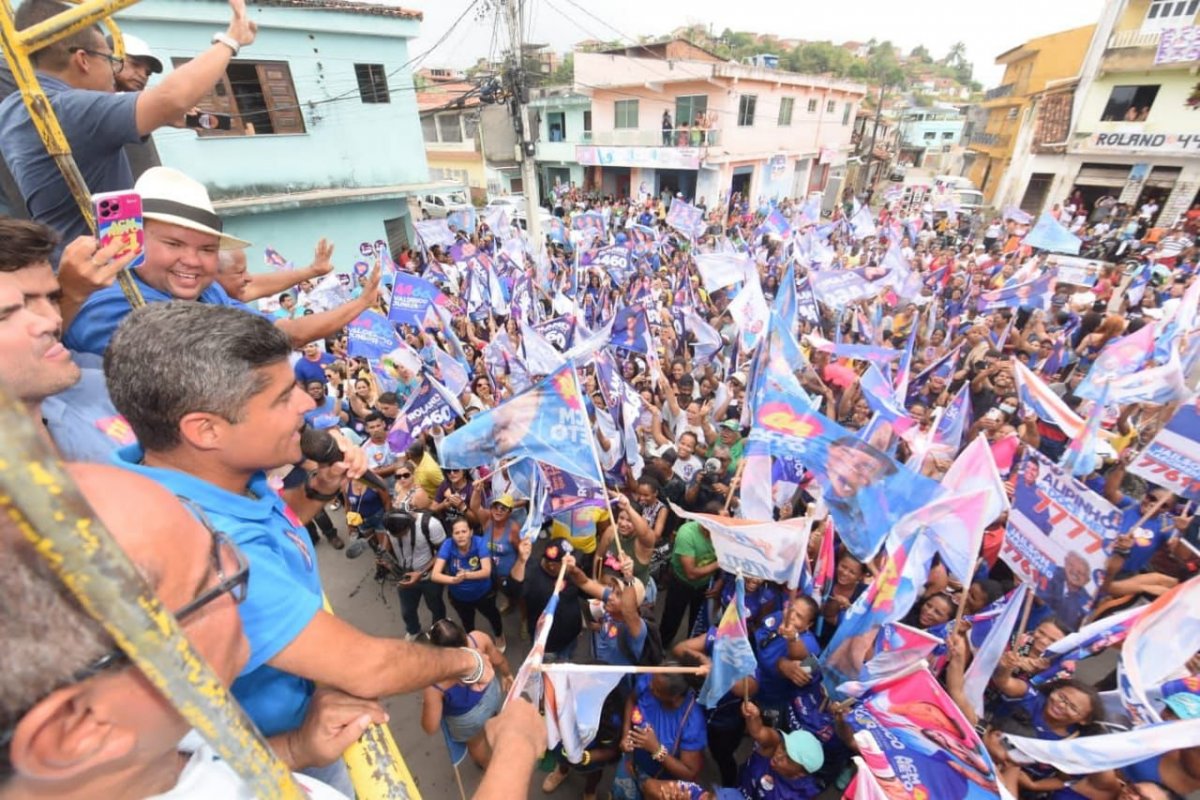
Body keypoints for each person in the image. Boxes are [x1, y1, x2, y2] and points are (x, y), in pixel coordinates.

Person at [103, 303, 491, 792]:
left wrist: (320, 489)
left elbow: (275, 520)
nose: (307, 406)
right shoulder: (201, 550)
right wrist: (469, 661)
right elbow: (368, 668)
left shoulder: (201, 477)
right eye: (282, 397)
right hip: (278, 767)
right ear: (206, 430)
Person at [0, 463, 387, 800]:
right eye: (208, 583)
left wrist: (294, 748)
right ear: (78, 729)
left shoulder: (157, 727)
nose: (242, 566)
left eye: (219, 544)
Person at [0, 0, 257, 247]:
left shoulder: (16, 107)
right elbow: (174, 97)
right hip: (104, 272)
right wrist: (231, 39)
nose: (115, 71)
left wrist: (162, 114)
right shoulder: (71, 111)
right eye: (111, 60)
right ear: (83, 60)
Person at [63, 167, 382, 356]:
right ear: (134, 239)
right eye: (174, 243)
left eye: (206, 249)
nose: (192, 260)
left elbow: (279, 330)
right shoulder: (111, 308)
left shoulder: (207, 292)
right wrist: (362, 302)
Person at [420, 618, 512, 767]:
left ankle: (489, 766)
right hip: (491, 693)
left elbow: (430, 727)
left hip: (467, 718)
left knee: (476, 743)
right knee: (493, 716)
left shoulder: (435, 683)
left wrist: (427, 704)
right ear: (462, 634)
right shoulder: (478, 638)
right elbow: (499, 660)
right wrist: (507, 675)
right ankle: (497, 731)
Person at [612, 668, 707, 799]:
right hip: (631, 765)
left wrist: (656, 749)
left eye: (656, 689)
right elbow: (631, 700)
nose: (650, 686)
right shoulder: (651, 679)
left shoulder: (692, 722)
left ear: (673, 697)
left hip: (658, 784)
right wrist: (625, 735)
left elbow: (689, 773)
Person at [431, 518, 506, 650]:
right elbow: (435, 575)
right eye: (457, 532)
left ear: (471, 532)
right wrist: (454, 580)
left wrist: (466, 575)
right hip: (459, 597)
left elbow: (486, 571)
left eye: (464, 531)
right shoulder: (448, 545)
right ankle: (473, 641)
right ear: (452, 535)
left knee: (493, 615)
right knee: (467, 622)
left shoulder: (480, 542)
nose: (460, 536)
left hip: (483, 593)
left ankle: (499, 635)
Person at [738, 701, 825, 799]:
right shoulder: (773, 745)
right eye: (783, 747)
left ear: (800, 774)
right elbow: (758, 731)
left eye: (788, 759)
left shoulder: (801, 795)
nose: (779, 756)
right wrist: (753, 716)